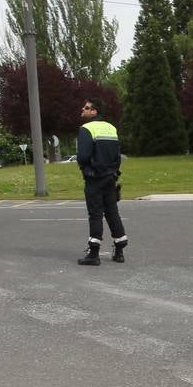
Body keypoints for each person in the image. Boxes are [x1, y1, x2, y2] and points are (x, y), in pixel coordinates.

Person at [75, 98, 127, 266]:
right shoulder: (111, 128)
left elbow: (83, 156)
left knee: (95, 213)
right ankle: (119, 249)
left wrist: (85, 168)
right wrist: (113, 172)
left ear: (94, 111)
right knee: (112, 212)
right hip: (111, 177)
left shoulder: (86, 129)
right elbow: (117, 155)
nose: (82, 109)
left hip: (94, 178)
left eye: (86, 107)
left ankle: (93, 253)